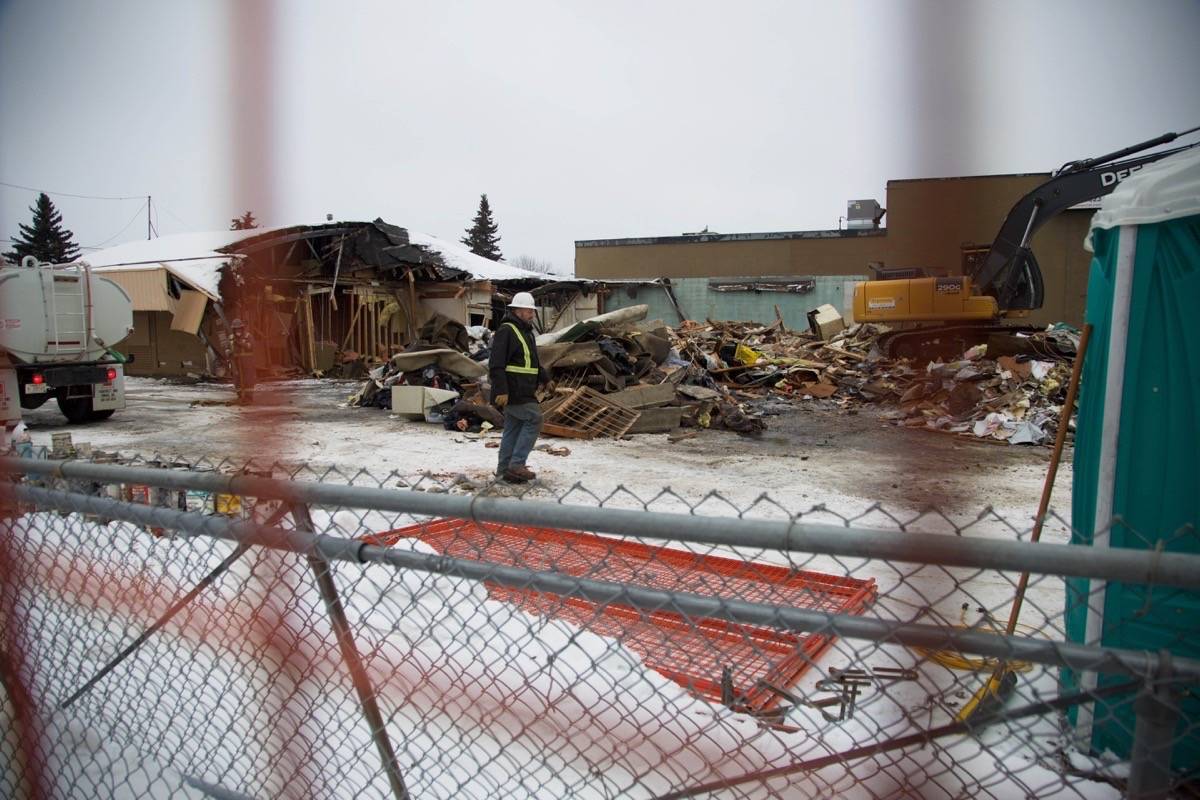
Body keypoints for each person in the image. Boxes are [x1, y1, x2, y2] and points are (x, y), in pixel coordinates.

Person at [488, 292, 551, 483]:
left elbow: (532, 362)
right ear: (517, 310)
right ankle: (517, 465)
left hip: (524, 390)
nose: (531, 313)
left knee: (513, 428)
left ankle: (504, 470)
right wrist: (501, 390)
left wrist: (545, 379)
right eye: (528, 310)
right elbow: (496, 364)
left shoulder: (526, 332)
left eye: (532, 310)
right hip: (513, 391)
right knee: (534, 419)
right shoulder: (506, 330)